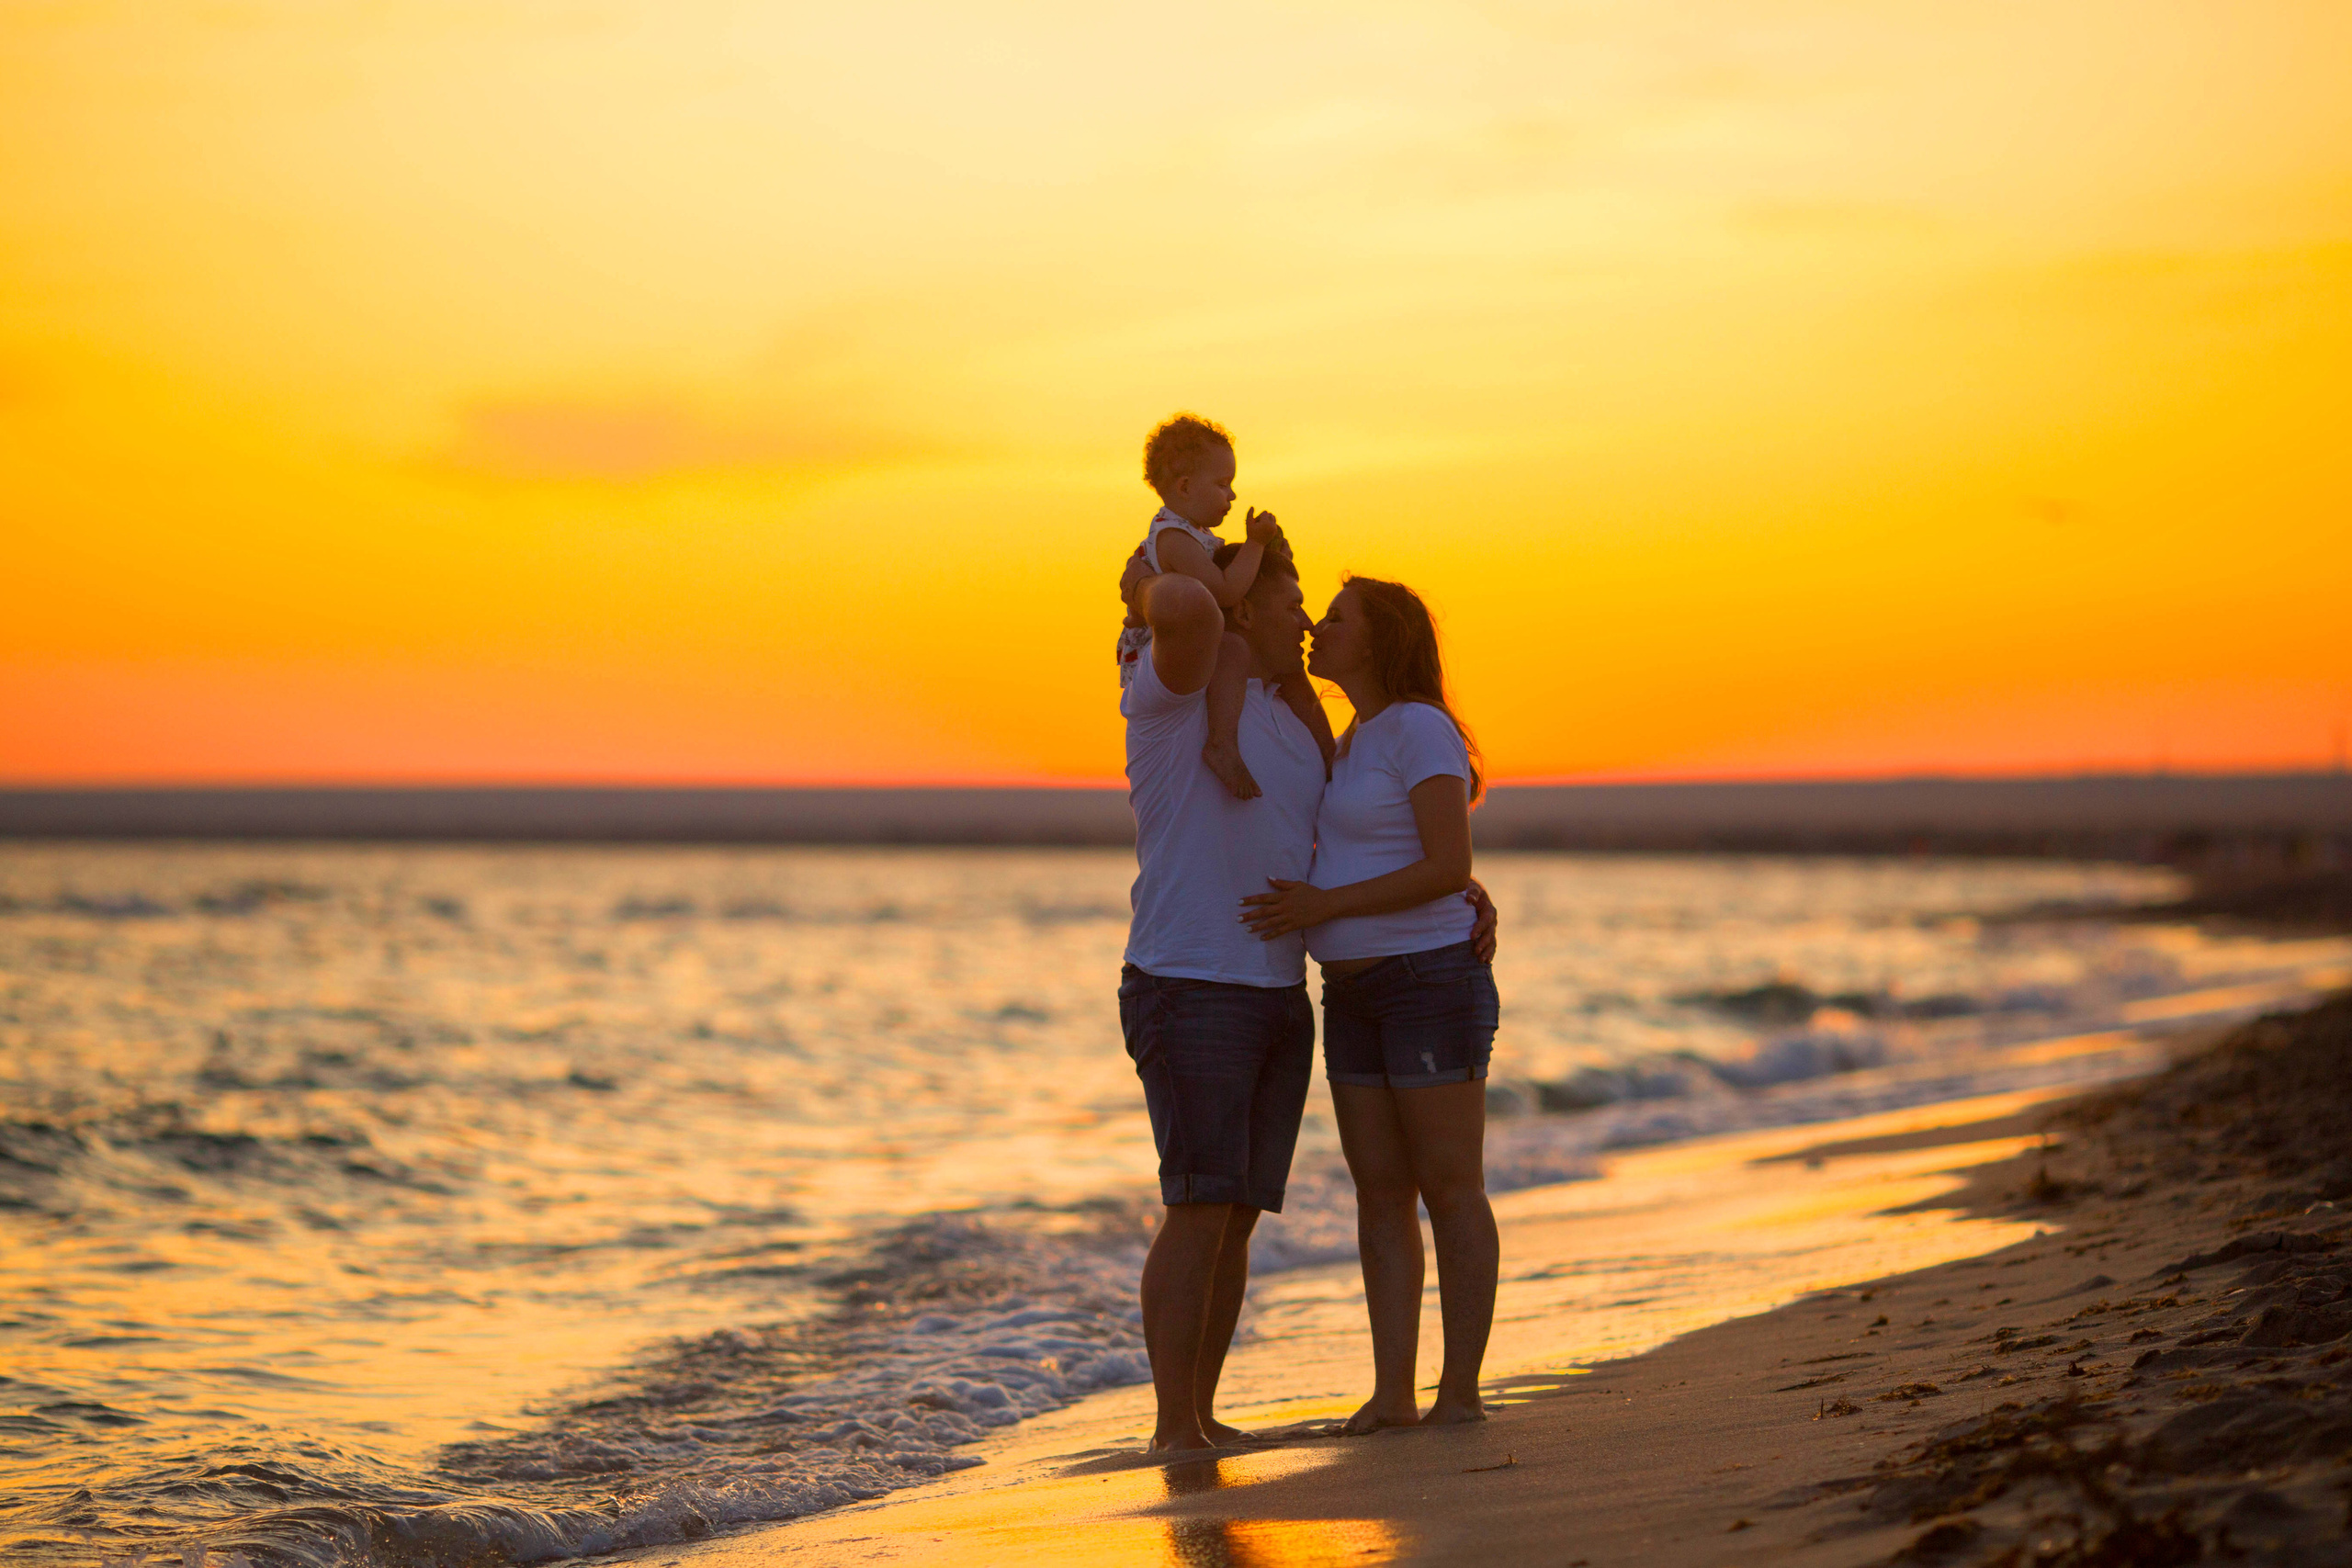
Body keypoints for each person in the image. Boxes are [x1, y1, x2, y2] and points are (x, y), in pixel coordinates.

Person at [1118, 540, 1495, 1452]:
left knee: (1242, 1211)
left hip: (1299, 991)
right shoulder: (1176, 693)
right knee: (1207, 1202)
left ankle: (1213, 1414)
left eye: (1326, 615)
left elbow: (1379, 846)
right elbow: (1177, 603)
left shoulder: (1327, 724)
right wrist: (1182, 563)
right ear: (1242, 611)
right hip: (1200, 984)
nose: (1310, 623)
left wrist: (1459, 888)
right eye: (1296, 607)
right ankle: (1180, 1426)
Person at [1239, 574, 1500, 1433]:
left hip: (1427, 982)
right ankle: (1393, 1392)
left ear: (1380, 637)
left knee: (1450, 1188)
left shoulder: (1419, 728)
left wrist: (1326, 907)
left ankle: (1457, 1391)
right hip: (1350, 992)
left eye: (1337, 618)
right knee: (1378, 1194)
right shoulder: (1352, 737)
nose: (1317, 626)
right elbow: (1392, 851)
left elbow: (1447, 866)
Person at [1115, 414, 1335, 799]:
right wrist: (1253, 544)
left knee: (1253, 658)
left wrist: (1271, 555)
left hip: (1196, 638)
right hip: (1169, 651)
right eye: (1222, 484)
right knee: (1233, 648)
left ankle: (1331, 766)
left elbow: (1239, 578)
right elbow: (1226, 591)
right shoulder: (1173, 539)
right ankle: (1222, 743)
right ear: (1184, 487)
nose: (1232, 495)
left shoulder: (1198, 538)